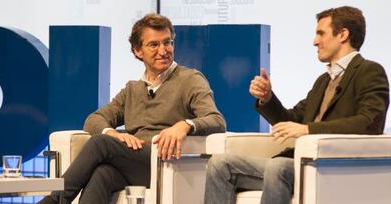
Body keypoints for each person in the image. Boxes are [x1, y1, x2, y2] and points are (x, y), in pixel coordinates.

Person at [204, 6, 389, 204]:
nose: (315, 41)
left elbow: (369, 124)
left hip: (326, 165)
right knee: (219, 164)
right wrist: (267, 98)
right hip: (294, 162)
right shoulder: (323, 81)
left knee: (278, 167)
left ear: (343, 34)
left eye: (321, 33)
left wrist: (308, 130)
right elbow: (290, 121)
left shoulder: (369, 71)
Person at [39, 13, 226, 204]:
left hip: (164, 161)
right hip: (135, 163)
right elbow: (94, 119)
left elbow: (217, 121)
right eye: (154, 45)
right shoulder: (132, 89)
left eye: (167, 42)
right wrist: (114, 134)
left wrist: (185, 125)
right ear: (138, 51)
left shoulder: (190, 79)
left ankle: (53, 201)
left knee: (100, 143)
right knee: (102, 174)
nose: (163, 50)